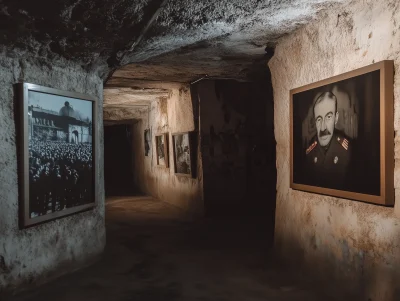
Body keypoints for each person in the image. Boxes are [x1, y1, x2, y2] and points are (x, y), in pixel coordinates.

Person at [305, 91, 351, 189]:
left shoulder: (348, 152)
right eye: (319, 119)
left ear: (336, 118)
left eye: (328, 117)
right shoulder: (309, 152)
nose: (323, 128)